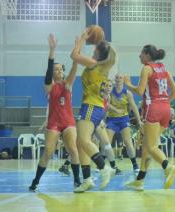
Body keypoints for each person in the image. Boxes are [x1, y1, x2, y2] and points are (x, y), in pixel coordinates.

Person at [124, 44, 175, 191]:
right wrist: (164, 102)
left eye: (141, 53)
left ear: (148, 55)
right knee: (147, 146)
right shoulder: (164, 68)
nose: (139, 56)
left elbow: (140, 90)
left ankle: (168, 167)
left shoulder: (147, 68)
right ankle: (140, 180)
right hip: (166, 109)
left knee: (151, 146)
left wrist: (128, 84)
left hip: (153, 109)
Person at [29, 34, 80, 191]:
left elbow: (74, 68)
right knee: (48, 152)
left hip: (68, 122)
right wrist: (52, 50)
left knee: (73, 149)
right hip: (54, 123)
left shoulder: (68, 84)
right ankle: (36, 180)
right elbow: (48, 72)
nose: (58, 71)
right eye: (55, 69)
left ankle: (77, 180)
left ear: (63, 72)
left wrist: (77, 49)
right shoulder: (49, 86)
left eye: (60, 69)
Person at [71, 29, 116, 193]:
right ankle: (87, 179)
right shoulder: (102, 67)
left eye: (95, 48)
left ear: (98, 52)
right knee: (80, 143)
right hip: (95, 107)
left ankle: (105, 168)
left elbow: (74, 56)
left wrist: (81, 40)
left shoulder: (93, 63)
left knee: (83, 140)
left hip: (91, 105)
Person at [105, 73, 142, 173]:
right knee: (106, 143)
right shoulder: (109, 91)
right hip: (111, 119)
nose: (118, 79)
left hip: (123, 119)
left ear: (123, 80)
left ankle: (135, 164)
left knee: (128, 142)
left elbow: (134, 107)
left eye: (120, 78)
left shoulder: (127, 93)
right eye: (116, 78)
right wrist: (115, 110)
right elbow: (106, 104)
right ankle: (108, 165)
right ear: (114, 80)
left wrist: (139, 121)